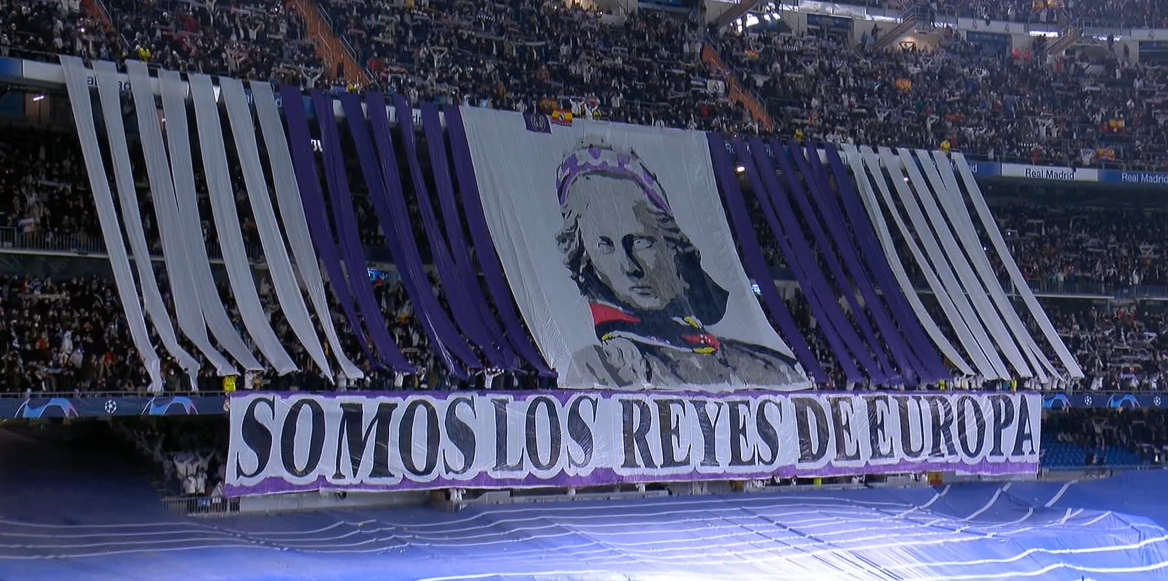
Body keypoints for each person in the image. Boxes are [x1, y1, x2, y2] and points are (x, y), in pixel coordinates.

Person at [555, 144, 803, 389]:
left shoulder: (766, 366)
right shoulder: (597, 368)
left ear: (671, 244)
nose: (628, 265)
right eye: (605, 246)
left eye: (640, 242)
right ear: (586, 257)